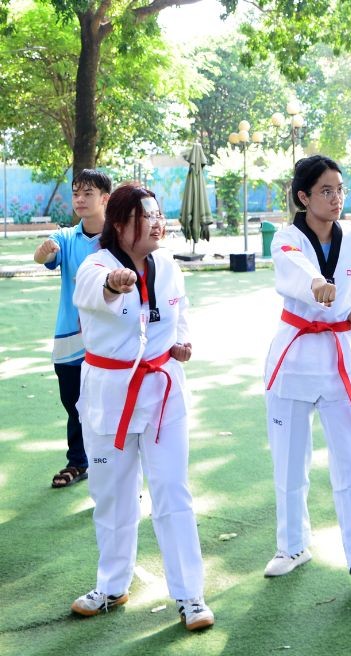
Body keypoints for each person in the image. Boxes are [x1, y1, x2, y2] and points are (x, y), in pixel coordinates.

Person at [70, 184, 214, 631]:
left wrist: (183, 340)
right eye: (144, 214)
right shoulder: (96, 264)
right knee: (112, 496)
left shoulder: (168, 264)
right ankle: (112, 586)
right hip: (109, 395)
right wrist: (115, 284)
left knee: (172, 491)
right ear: (119, 223)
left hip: (163, 391)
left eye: (157, 213)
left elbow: (179, 311)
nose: (157, 222)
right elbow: (92, 291)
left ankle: (191, 596)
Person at [263, 155, 351, 607]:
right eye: (325, 191)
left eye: (339, 189)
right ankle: (293, 545)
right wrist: (316, 283)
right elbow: (292, 267)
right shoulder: (286, 237)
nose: (336, 198)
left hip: (340, 358)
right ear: (303, 197)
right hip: (295, 356)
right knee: (289, 460)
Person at [33, 169, 111, 488]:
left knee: (108, 405)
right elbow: (44, 257)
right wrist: (43, 253)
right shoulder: (64, 238)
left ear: (105, 198)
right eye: (76, 193)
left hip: (108, 340)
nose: (79, 199)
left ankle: (110, 464)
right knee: (74, 404)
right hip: (70, 340)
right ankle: (78, 461)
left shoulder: (119, 239)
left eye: (87, 193)